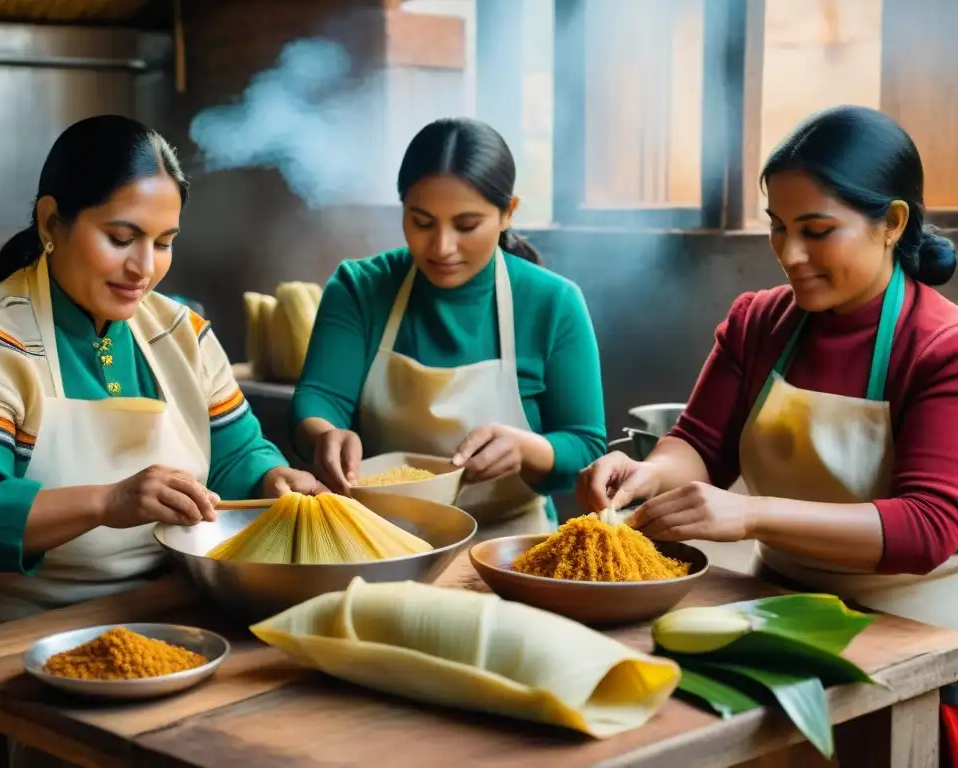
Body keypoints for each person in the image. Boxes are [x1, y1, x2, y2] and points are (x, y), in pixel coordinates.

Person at [0, 115, 322, 636]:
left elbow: (235, 453)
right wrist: (105, 501)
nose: (144, 267)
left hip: (168, 616)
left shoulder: (184, 334)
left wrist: (273, 479)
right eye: (122, 238)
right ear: (50, 223)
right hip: (4, 639)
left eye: (163, 243)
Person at [578, 105, 958, 628]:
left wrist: (752, 515)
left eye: (817, 230)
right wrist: (652, 474)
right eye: (778, 227)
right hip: (774, 605)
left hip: (911, 629)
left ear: (891, 222)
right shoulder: (758, 322)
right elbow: (702, 444)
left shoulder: (940, 348)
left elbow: (928, 528)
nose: (791, 254)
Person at [292, 117, 607, 537]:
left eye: (466, 225)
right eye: (422, 222)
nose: (441, 247)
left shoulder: (553, 302)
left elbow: (585, 445)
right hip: (381, 534)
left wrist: (528, 449)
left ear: (507, 213)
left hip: (511, 540)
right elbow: (319, 397)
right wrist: (324, 435)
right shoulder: (360, 288)